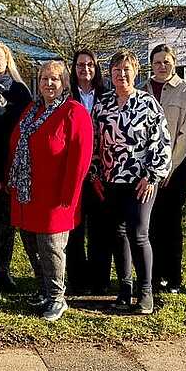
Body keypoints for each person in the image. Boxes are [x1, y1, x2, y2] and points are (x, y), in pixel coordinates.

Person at [8, 60, 93, 322]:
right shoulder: (32, 110)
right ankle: (44, 290)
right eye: (44, 78)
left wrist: (70, 194)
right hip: (28, 193)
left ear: (64, 83)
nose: (48, 83)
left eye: (54, 79)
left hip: (56, 196)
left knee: (51, 247)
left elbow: (81, 158)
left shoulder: (74, 112)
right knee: (31, 243)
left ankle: (57, 297)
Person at [91, 49, 171, 315]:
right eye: (116, 70)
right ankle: (124, 289)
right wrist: (95, 174)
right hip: (111, 180)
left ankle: (145, 291)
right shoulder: (102, 104)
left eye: (126, 69)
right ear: (110, 74)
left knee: (139, 234)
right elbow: (94, 142)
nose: (121, 74)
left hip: (141, 182)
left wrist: (152, 175)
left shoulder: (148, 103)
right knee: (118, 234)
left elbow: (161, 142)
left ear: (136, 72)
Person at [143, 44, 186, 294]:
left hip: (175, 167)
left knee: (171, 223)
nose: (162, 66)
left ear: (174, 62)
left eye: (166, 61)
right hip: (146, 169)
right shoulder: (142, 89)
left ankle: (173, 277)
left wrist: (168, 167)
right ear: (151, 65)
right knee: (150, 223)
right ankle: (152, 275)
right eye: (157, 62)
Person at [0, 41, 32, 292]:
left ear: (7, 59)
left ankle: (3, 271)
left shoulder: (19, 91)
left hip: (11, 165)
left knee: (6, 222)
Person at [66, 49, 113, 295]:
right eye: (80, 65)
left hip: (101, 172)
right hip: (74, 171)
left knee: (100, 228)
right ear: (74, 69)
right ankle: (76, 279)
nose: (85, 69)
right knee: (74, 228)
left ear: (96, 68)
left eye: (89, 65)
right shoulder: (66, 96)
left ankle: (100, 279)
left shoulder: (108, 96)